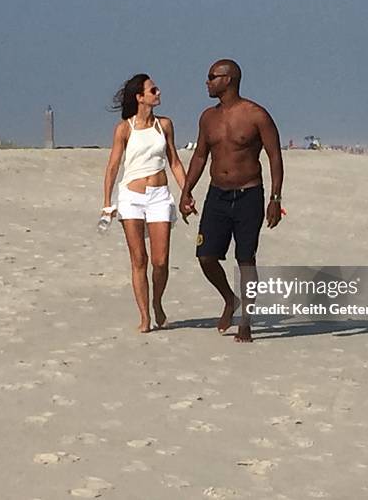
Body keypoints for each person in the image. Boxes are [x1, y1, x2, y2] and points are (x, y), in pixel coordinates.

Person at [179, 59, 284, 343]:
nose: (207, 82)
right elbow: (200, 155)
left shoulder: (256, 115)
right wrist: (186, 190)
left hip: (249, 194)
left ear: (229, 79)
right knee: (206, 256)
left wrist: (275, 198)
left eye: (212, 77)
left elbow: (274, 155)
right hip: (217, 194)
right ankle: (230, 299)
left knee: (245, 259)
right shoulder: (207, 118)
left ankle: (246, 322)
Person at [103, 74, 187, 333]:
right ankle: (144, 316)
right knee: (139, 258)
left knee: (160, 261)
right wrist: (107, 203)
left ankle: (157, 302)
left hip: (159, 196)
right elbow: (114, 166)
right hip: (131, 198)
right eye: (153, 90)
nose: (158, 92)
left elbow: (174, 161)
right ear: (140, 97)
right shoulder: (124, 129)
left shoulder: (165, 125)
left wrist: (187, 193)